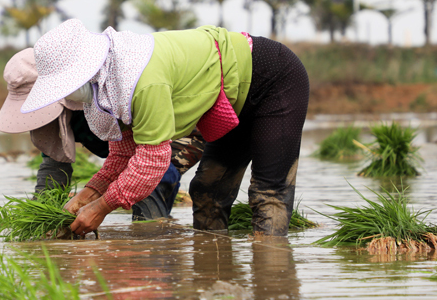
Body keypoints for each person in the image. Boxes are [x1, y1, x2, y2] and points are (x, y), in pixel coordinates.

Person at [20, 18, 309, 237]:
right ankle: (216, 295)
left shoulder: (142, 79)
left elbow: (151, 163)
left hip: (272, 79)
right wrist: (90, 192)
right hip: (230, 100)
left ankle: (274, 294)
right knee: (208, 191)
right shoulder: (110, 87)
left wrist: (100, 208)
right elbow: (123, 156)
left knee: (267, 193)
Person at [0, 48, 204, 220]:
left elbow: (148, 159)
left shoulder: (102, 96)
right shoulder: (49, 122)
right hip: (129, 156)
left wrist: (101, 206)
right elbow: (53, 171)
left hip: (174, 134)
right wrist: (39, 218)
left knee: (150, 184)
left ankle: (154, 246)